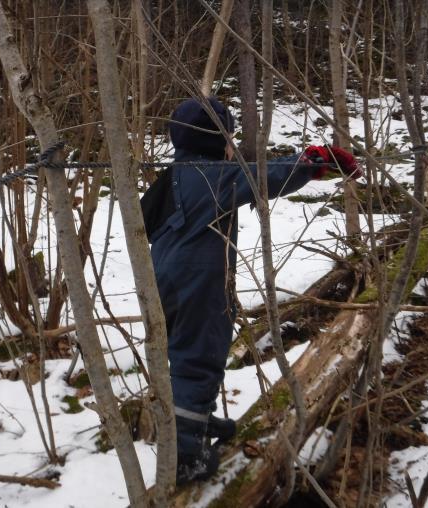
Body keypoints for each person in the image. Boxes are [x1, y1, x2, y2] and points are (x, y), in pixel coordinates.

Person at [140, 97, 361, 484]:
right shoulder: (213, 176)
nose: (233, 146)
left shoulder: (174, 175)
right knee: (200, 352)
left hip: (164, 274)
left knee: (184, 348)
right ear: (214, 140)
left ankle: (195, 418)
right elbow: (266, 176)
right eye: (228, 137)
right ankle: (185, 456)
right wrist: (315, 162)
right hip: (199, 278)